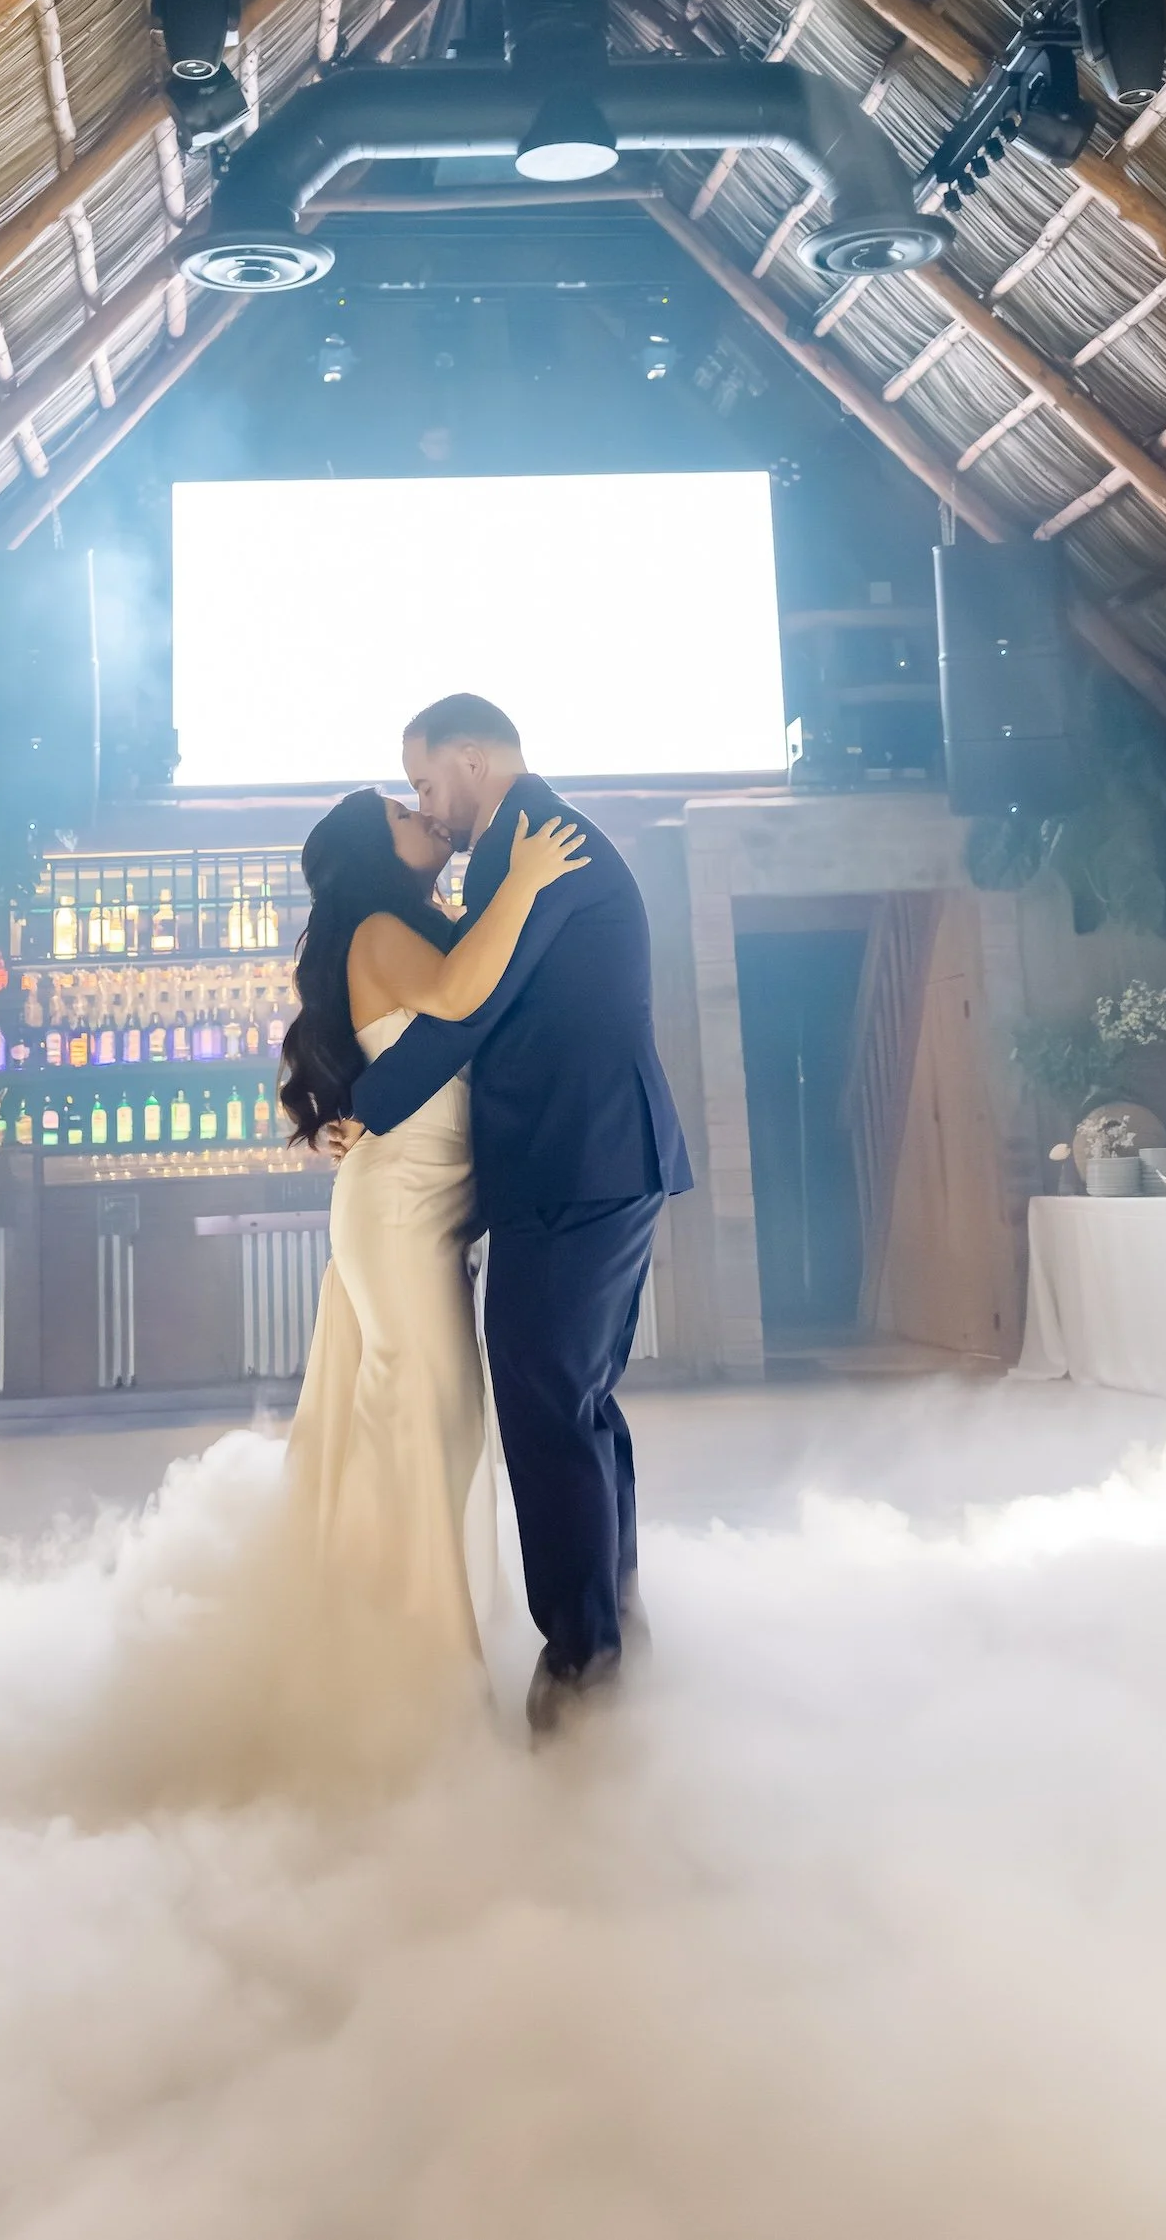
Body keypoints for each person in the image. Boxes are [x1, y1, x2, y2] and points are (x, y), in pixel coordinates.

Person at [345, 690, 692, 1738]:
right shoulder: (535, 836)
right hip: (594, 1157)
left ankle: (583, 1664)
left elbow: (470, 1007)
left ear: (469, 758)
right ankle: (613, 1630)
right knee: (577, 1402)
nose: (427, 805)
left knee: (546, 1408)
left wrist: (362, 1102)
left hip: (574, 1163)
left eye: (424, 781)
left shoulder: (529, 842)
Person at [280, 785, 589, 1671]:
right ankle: (414, 1670)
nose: (426, 816)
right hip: (401, 1210)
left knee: (435, 1426)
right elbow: (459, 994)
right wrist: (525, 879)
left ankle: (393, 1648)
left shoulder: (418, 924)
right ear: (373, 854)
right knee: (424, 1423)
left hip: (424, 1209)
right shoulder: (382, 930)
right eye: (401, 814)